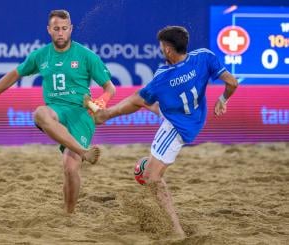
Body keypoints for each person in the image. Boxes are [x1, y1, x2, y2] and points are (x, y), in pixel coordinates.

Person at [93, 26, 238, 236]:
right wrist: (222, 100)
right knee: (154, 103)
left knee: (151, 176)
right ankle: (145, 152)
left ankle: (177, 230)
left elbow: (136, 100)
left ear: (169, 50)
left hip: (178, 126)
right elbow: (232, 83)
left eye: (162, 47)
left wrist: (108, 113)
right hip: (196, 116)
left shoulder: (164, 76)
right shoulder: (204, 56)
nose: (161, 50)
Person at [0, 10, 116, 213]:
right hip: (56, 111)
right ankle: (83, 151)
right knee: (40, 113)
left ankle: (69, 213)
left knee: (70, 168)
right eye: (56, 29)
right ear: (49, 30)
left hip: (80, 114)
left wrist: (103, 99)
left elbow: (110, 88)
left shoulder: (86, 56)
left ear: (71, 29)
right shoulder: (40, 56)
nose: (61, 33)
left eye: (64, 28)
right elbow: (14, 75)